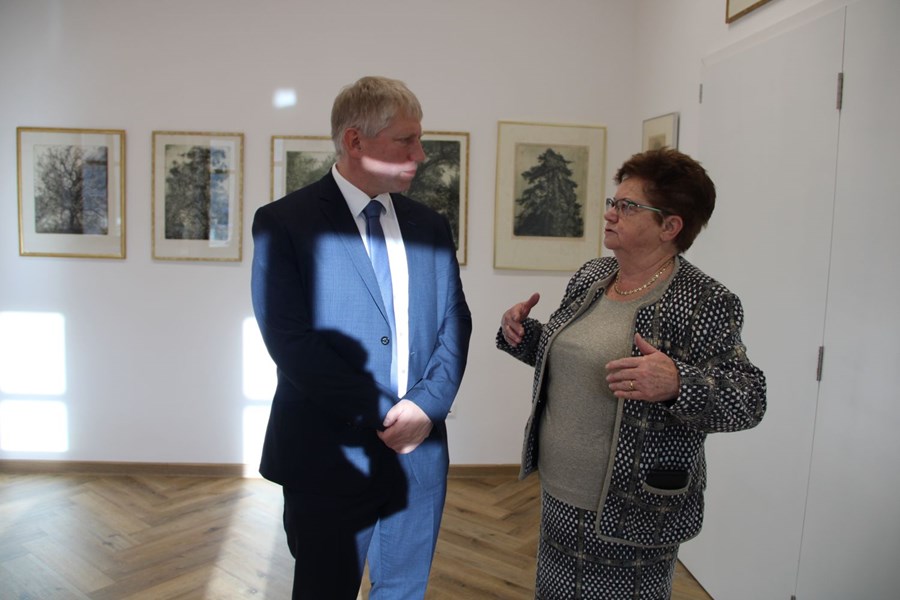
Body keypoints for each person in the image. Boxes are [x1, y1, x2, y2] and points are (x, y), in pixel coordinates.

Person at [497, 148, 767, 599]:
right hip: (559, 494)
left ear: (669, 226)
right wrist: (524, 335)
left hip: (635, 513)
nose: (610, 214)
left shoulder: (704, 301)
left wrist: (677, 383)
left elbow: (749, 399)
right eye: (613, 202)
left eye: (627, 206)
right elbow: (575, 359)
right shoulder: (593, 275)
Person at [251, 76, 472, 599]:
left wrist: (427, 406)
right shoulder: (286, 223)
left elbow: (455, 321)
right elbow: (292, 343)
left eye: (420, 139)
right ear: (355, 141)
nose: (420, 154)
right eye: (406, 140)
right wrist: (386, 415)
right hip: (328, 455)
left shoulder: (429, 225)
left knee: (403, 591)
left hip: (419, 453)